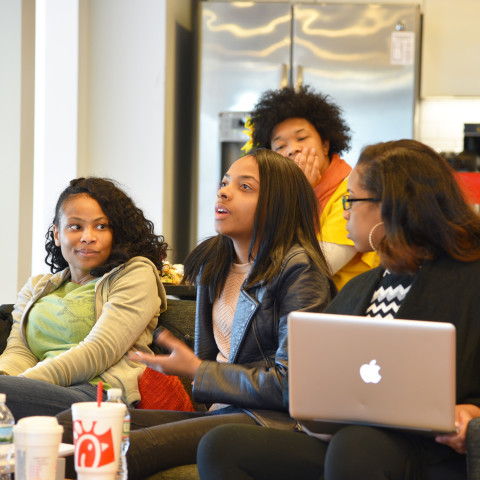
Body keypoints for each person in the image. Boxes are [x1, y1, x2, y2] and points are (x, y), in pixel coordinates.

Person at [195, 139, 480, 480]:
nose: (343, 211)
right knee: (222, 446)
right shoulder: (360, 289)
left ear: (389, 206)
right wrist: (319, 415)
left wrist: (473, 414)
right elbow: (315, 380)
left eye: (351, 199)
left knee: (357, 445)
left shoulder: (469, 280)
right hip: (349, 439)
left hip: (431, 450)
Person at [59, 148, 335, 479]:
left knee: (124, 446)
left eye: (244, 187)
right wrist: (192, 366)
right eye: (225, 182)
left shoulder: (299, 269)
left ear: (278, 204)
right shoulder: (213, 264)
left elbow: (291, 386)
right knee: (69, 426)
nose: (223, 191)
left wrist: (198, 370)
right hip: (221, 413)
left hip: (269, 420)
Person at [0, 177, 168, 419]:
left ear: (116, 233)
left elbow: (99, 351)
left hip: (98, 394)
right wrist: (8, 380)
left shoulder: (135, 274)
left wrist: (19, 386)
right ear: (58, 234)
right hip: (34, 389)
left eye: (101, 226)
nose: (88, 236)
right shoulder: (37, 287)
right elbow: (19, 351)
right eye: (76, 226)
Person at [246, 85, 379, 290]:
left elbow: (308, 271)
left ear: (325, 144)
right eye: (280, 146)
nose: (293, 149)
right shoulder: (276, 197)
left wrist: (299, 194)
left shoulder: (351, 192)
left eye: (301, 138)